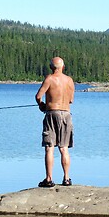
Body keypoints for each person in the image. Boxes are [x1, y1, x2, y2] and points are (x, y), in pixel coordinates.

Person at [35, 56, 75, 187]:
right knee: (64, 148)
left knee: (49, 147)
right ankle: (67, 178)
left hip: (52, 114)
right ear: (63, 67)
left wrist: (41, 104)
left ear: (52, 67)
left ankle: (49, 179)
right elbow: (71, 100)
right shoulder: (69, 80)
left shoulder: (50, 79)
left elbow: (38, 96)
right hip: (66, 114)